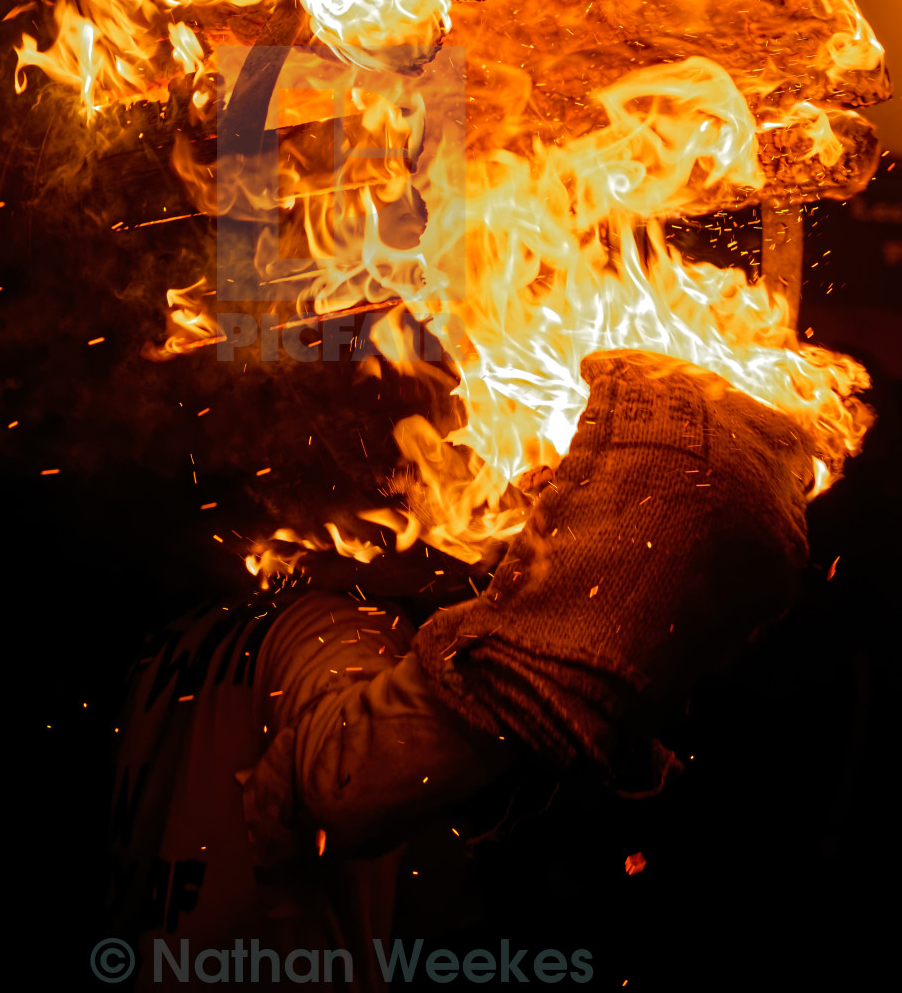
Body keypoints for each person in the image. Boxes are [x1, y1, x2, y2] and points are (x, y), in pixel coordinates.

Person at [105, 350, 816, 987]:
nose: (485, 509)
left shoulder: (194, 628)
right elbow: (346, 777)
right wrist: (532, 662)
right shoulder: (334, 623)